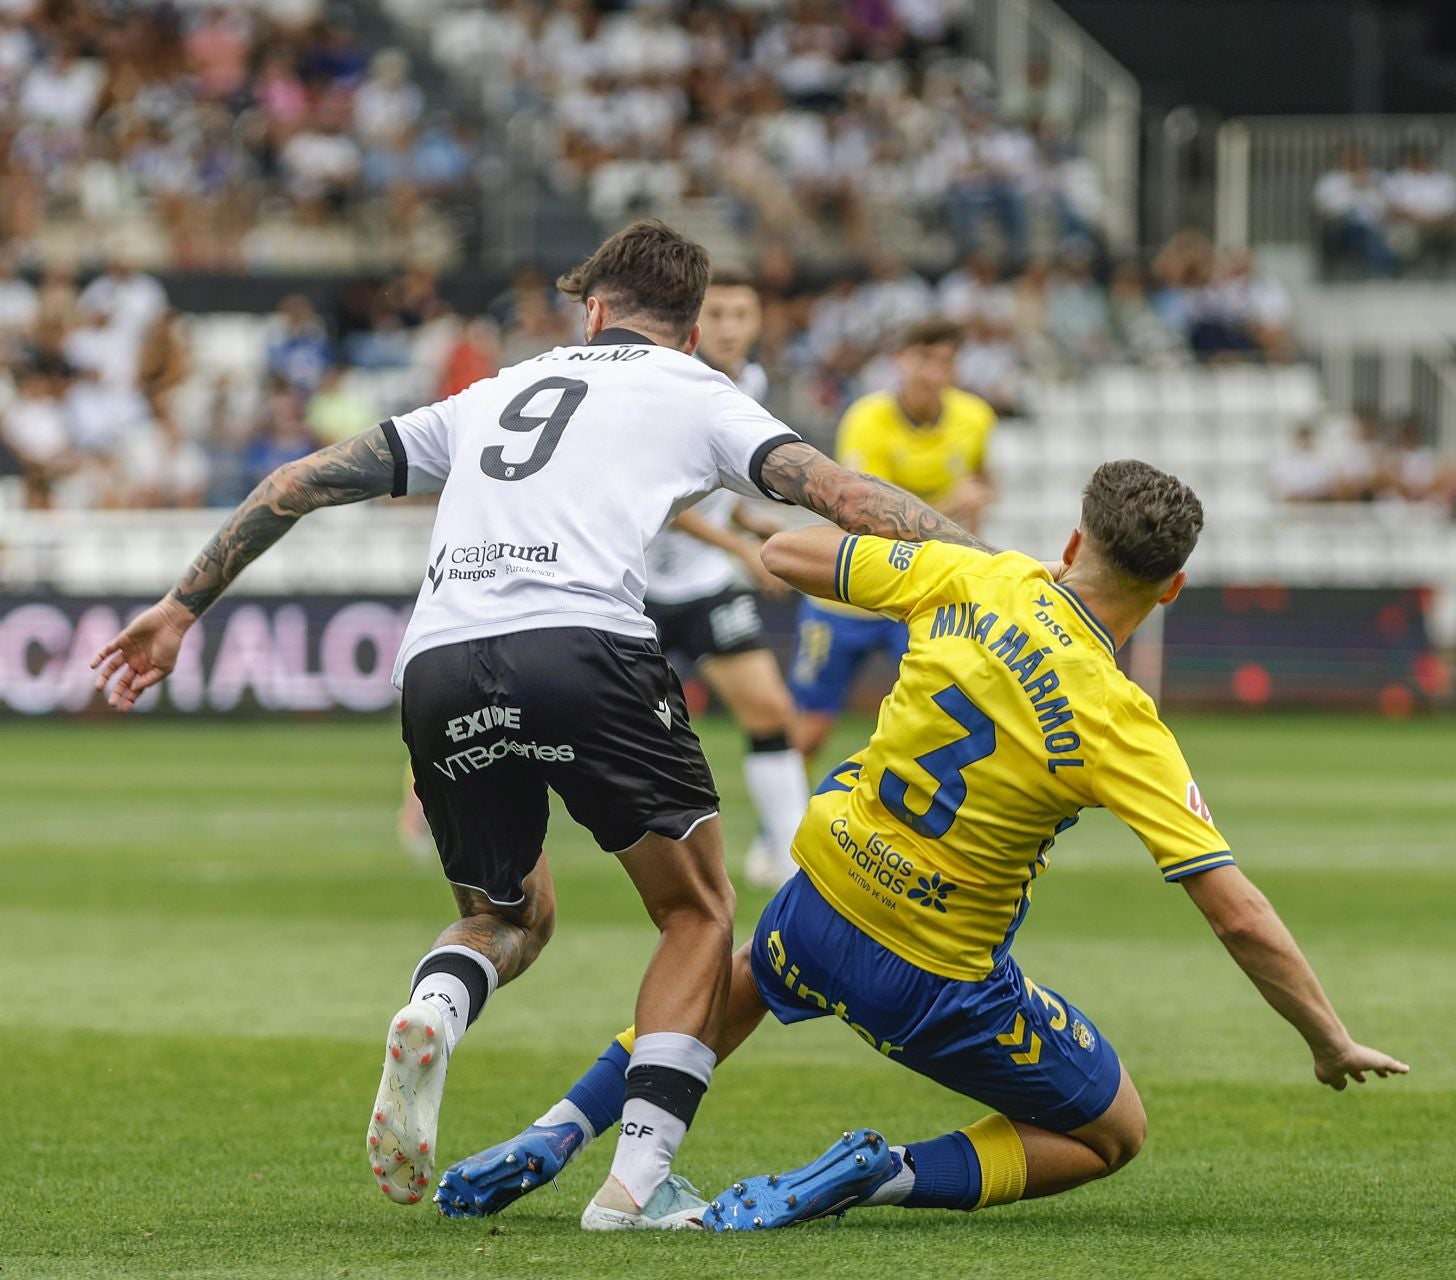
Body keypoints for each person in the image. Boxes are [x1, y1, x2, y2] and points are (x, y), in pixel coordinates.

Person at [89, 220, 984, 1231]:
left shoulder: (495, 391)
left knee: (506, 916)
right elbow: (841, 495)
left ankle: (435, 1007)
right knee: (696, 913)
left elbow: (294, 482)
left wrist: (178, 607)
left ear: (593, 311)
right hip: (586, 647)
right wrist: (1001, 571)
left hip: (438, 661)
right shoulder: (698, 392)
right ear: (689, 330)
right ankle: (634, 1186)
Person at [437, 460, 1408, 1227]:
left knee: (732, 983)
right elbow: (1233, 908)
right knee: (1114, 1130)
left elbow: (787, 556)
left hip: (820, 900)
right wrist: (1326, 1038)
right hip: (933, 975)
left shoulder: (978, 575)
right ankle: (882, 1174)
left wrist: (948, 552)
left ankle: (553, 1132)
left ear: (1074, 539)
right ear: (1174, 587)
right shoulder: (1123, 719)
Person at [643, 270, 806, 890]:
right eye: (721, 314)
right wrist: (742, 548)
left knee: (770, 710)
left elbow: (712, 495)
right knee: (557, 726)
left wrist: (758, 525)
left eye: (744, 313)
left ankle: (791, 861)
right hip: (636, 589)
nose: (733, 327)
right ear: (694, 321)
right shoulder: (670, 388)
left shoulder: (750, 384)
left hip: (707, 582)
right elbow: (668, 504)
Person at [792, 318, 995, 771]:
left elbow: (980, 483)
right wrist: (949, 505)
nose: (934, 372)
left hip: (920, 595)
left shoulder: (975, 417)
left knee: (949, 716)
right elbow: (862, 516)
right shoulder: (867, 419)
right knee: (810, 730)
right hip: (850, 592)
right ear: (901, 360)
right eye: (924, 358)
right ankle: (775, 830)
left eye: (946, 360)